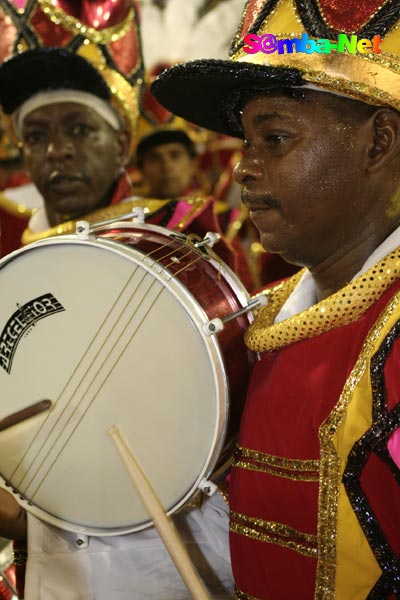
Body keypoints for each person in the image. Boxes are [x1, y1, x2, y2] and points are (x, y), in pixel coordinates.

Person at [151, 0, 400, 598]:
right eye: (247, 141)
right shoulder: (258, 319)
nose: (243, 169)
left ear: (379, 143)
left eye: (275, 138)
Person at [0, 48, 237, 600]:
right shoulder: (13, 256)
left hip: (162, 552)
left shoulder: (179, 241)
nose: (58, 151)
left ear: (122, 144)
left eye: (79, 129)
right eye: (35, 137)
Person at [135, 128, 198, 199]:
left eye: (175, 155)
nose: (167, 167)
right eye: (155, 158)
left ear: (193, 164)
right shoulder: (132, 209)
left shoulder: (210, 208)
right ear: (142, 170)